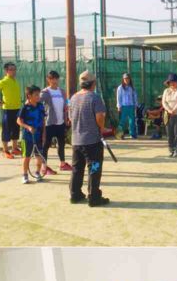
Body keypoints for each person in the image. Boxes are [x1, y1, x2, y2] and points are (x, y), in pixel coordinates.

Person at [69, 70, 109, 207]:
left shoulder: (73, 98)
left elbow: (70, 118)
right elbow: (100, 116)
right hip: (92, 140)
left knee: (77, 168)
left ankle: (75, 195)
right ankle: (94, 197)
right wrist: (102, 128)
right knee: (94, 168)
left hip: (76, 140)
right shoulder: (95, 97)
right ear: (93, 83)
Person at [39, 70, 72, 174]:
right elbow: (36, 101)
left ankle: (63, 164)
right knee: (46, 145)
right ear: (48, 80)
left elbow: (66, 106)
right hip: (49, 123)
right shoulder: (45, 92)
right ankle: (44, 167)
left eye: (56, 78)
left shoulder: (62, 92)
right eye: (52, 79)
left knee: (61, 144)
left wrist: (67, 118)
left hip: (61, 123)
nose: (54, 81)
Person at [0, 62, 22, 158]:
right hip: (8, 110)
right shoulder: (3, 81)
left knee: (16, 129)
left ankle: (15, 148)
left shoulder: (15, 81)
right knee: (6, 130)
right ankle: (5, 151)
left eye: (14, 69)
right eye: (11, 69)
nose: (13, 71)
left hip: (17, 109)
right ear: (6, 71)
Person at [17, 85, 46, 184]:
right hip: (27, 137)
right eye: (36, 95)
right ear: (29, 96)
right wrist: (28, 127)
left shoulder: (41, 106)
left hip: (38, 136)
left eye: (39, 94)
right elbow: (18, 121)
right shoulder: (25, 108)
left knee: (39, 156)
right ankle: (25, 175)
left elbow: (43, 121)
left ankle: (37, 173)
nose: (38, 96)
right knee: (27, 157)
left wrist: (44, 134)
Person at [162, 73, 177, 157]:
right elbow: (164, 102)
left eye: (174, 81)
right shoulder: (166, 91)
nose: (172, 83)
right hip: (168, 115)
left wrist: (173, 110)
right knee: (169, 134)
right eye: (170, 82)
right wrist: (169, 110)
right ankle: (171, 150)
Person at [116, 73, 138, 140]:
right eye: (125, 79)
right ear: (123, 79)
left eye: (128, 78)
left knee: (132, 121)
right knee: (122, 121)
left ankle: (133, 134)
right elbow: (118, 98)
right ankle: (120, 135)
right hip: (123, 107)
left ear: (130, 79)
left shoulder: (132, 88)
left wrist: (136, 105)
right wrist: (119, 106)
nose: (126, 80)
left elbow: (135, 97)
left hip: (131, 106)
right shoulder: (120, 88)